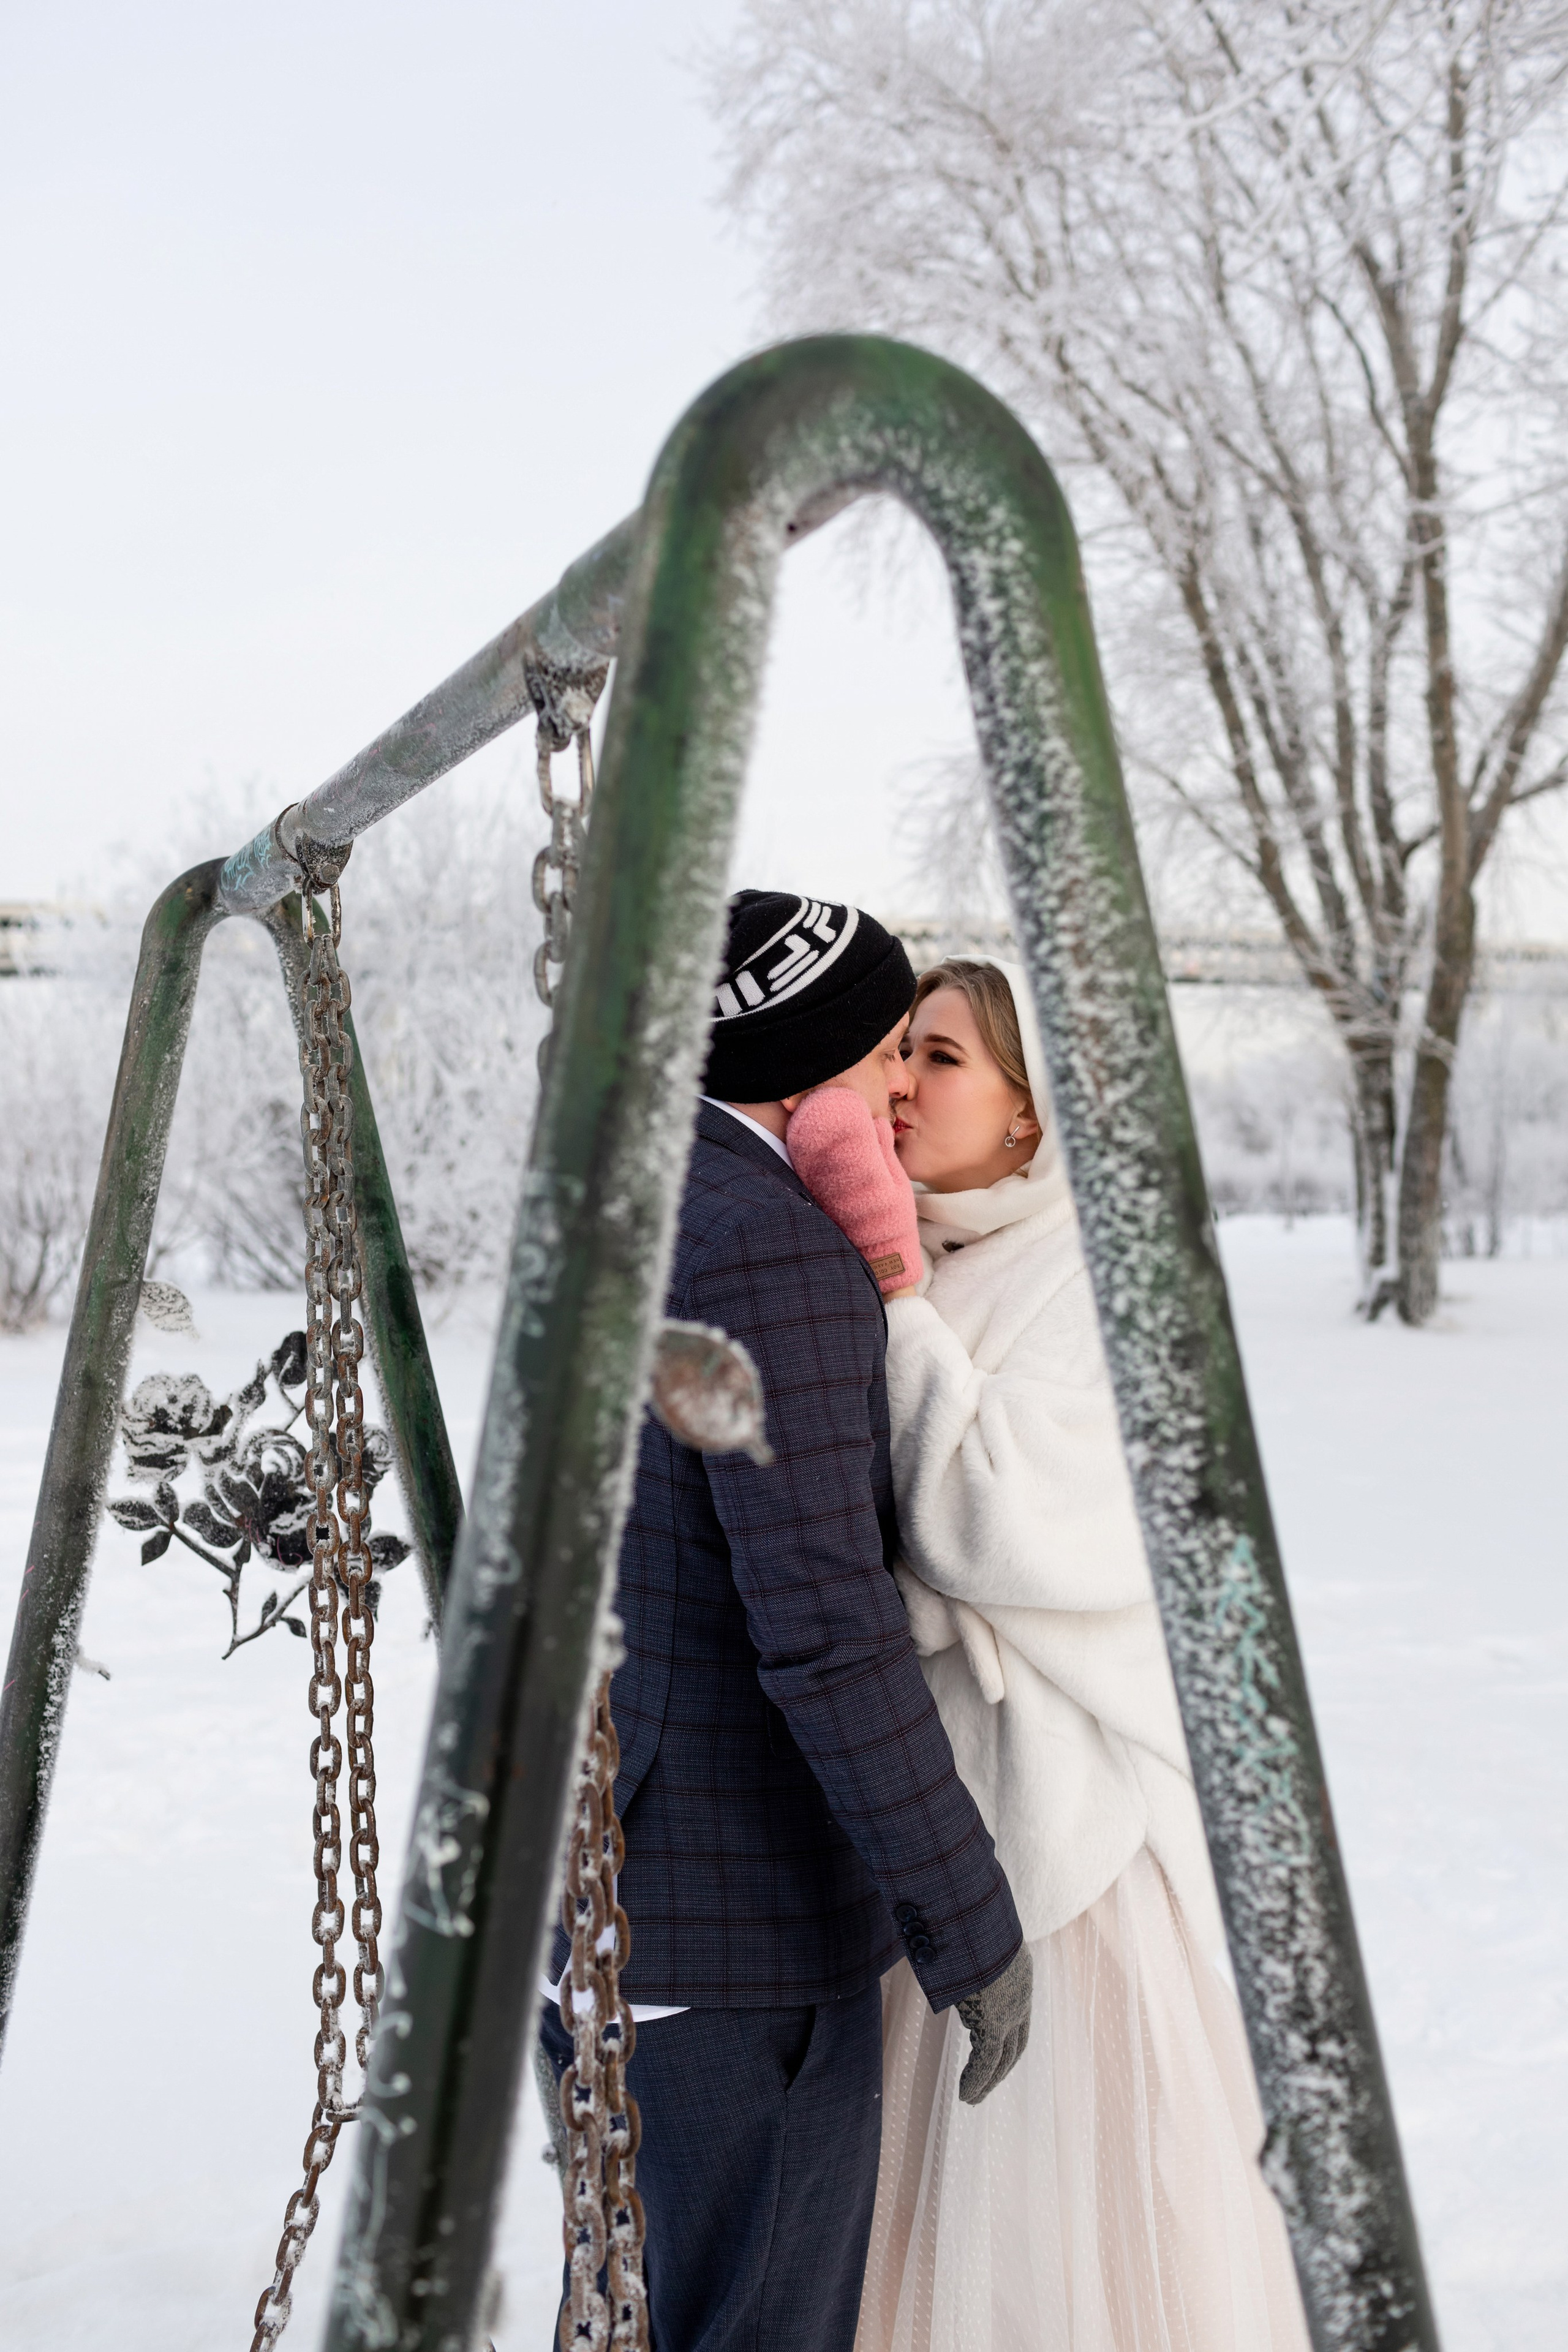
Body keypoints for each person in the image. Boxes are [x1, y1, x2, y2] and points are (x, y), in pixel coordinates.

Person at [786, 956, 1311, 2352]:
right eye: (894, 1051)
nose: (898, 1082)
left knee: (1045, 2221)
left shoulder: (1104, 1272)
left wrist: (894, 1292)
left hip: (1062, 1825)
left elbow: (995, 1518)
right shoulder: (913, 1247)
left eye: (939, 1056)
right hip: (923, 1810)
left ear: (1028, 1108)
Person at [538, 897, 1031, 2352]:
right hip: (731, 1940)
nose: (898, 1088)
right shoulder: (772, 1253)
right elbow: (823, 1622)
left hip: (600, 1914)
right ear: (800, 1057)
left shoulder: (628, 1202)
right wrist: (969, 1925)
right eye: (888, 1048)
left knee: (625, 2315)